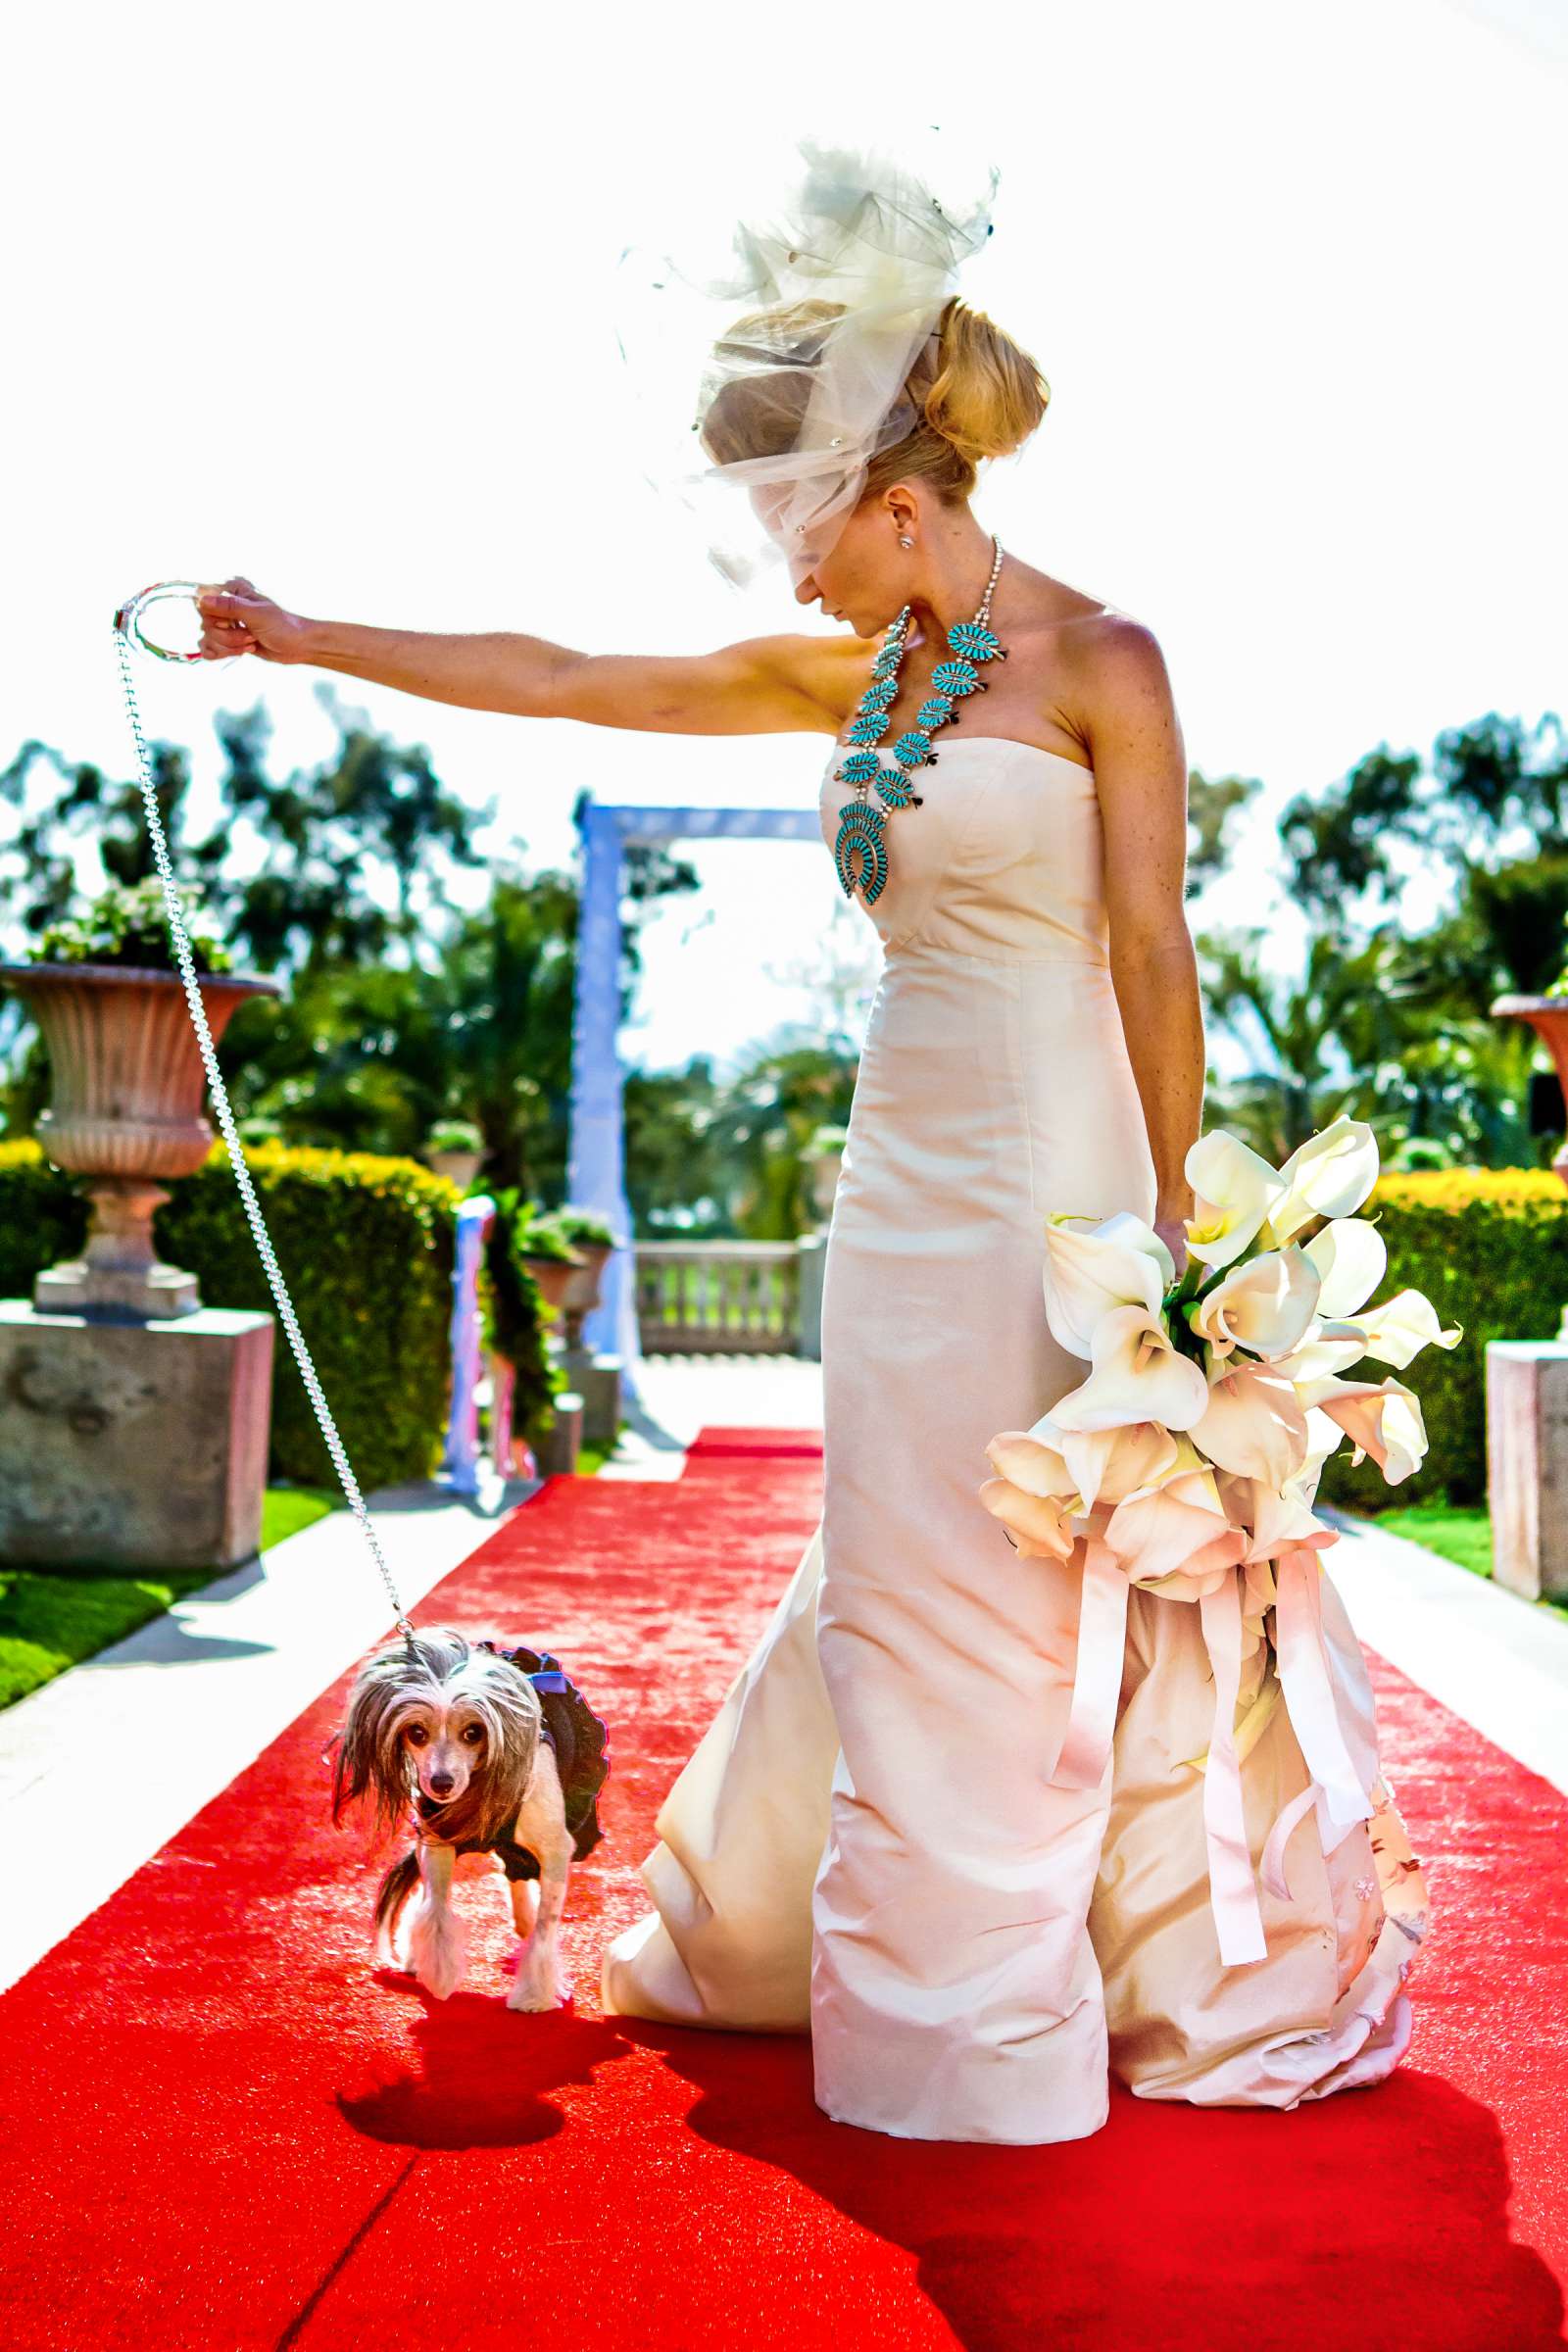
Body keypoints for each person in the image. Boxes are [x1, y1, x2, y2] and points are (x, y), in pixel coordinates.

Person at [194, 170, 1426, 2150]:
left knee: (1040, 1585)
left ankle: (1019, 2014)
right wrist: (302, 634)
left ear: (892, 495)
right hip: (898, 1181)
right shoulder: (840, 683)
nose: (786, 581)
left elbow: (1150, 953)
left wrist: (1189, 1249)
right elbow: (568, 676)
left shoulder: (1111, 659)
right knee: (891, 1570)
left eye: (796, 529)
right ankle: (879, 1985)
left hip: (1070, 1188)